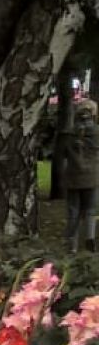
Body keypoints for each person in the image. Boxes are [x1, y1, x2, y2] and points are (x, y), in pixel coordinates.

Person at [63, 97, 98, 250]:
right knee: (90, 210)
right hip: (92, 177)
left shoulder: (70, 134)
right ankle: (90, 238)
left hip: (73, 177)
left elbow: (64, 154)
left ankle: (72, 246)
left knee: (73, 211)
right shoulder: (97, 132)